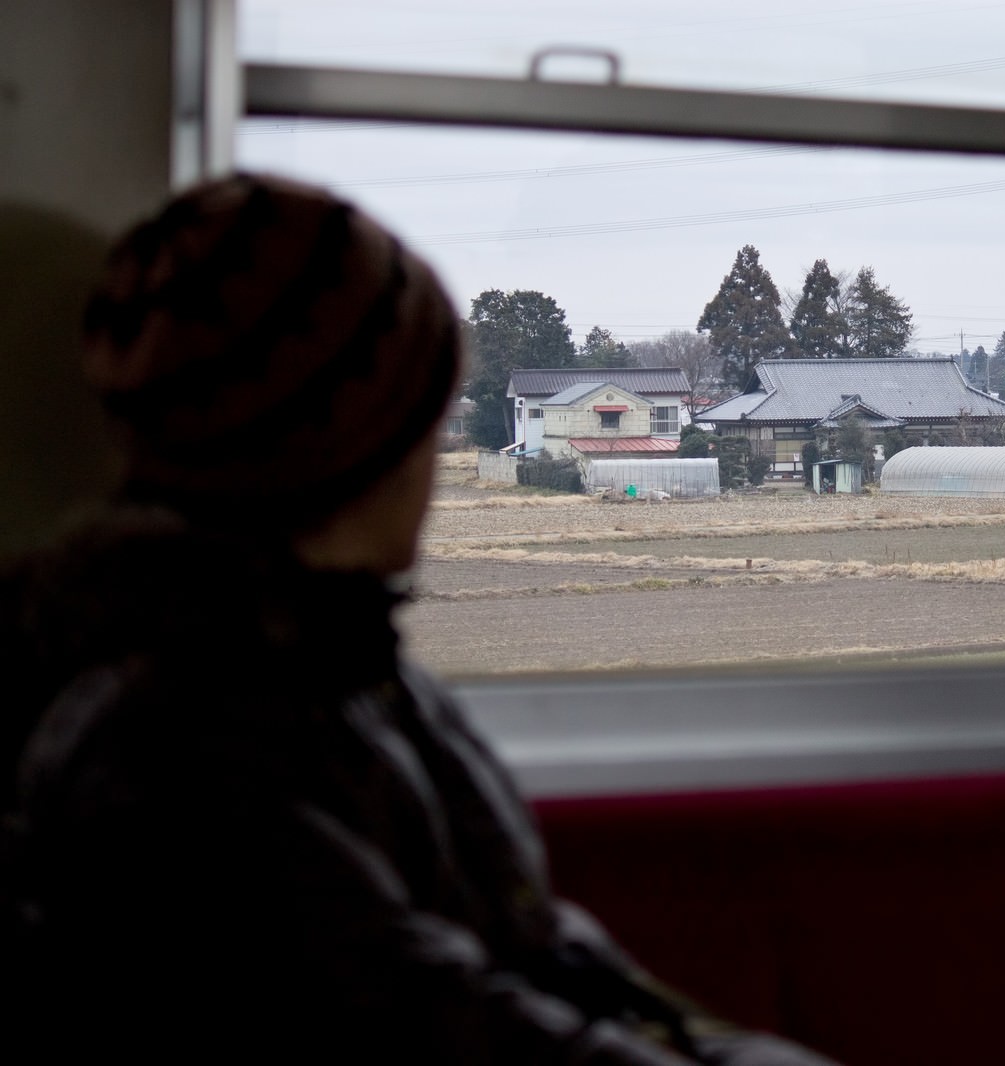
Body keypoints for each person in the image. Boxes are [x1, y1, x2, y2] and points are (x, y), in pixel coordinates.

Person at [1, 174, 837, 1065]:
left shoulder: (330, 665)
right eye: (424, 417)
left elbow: (522, 970)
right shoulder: (180, 755)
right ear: (361, 444)